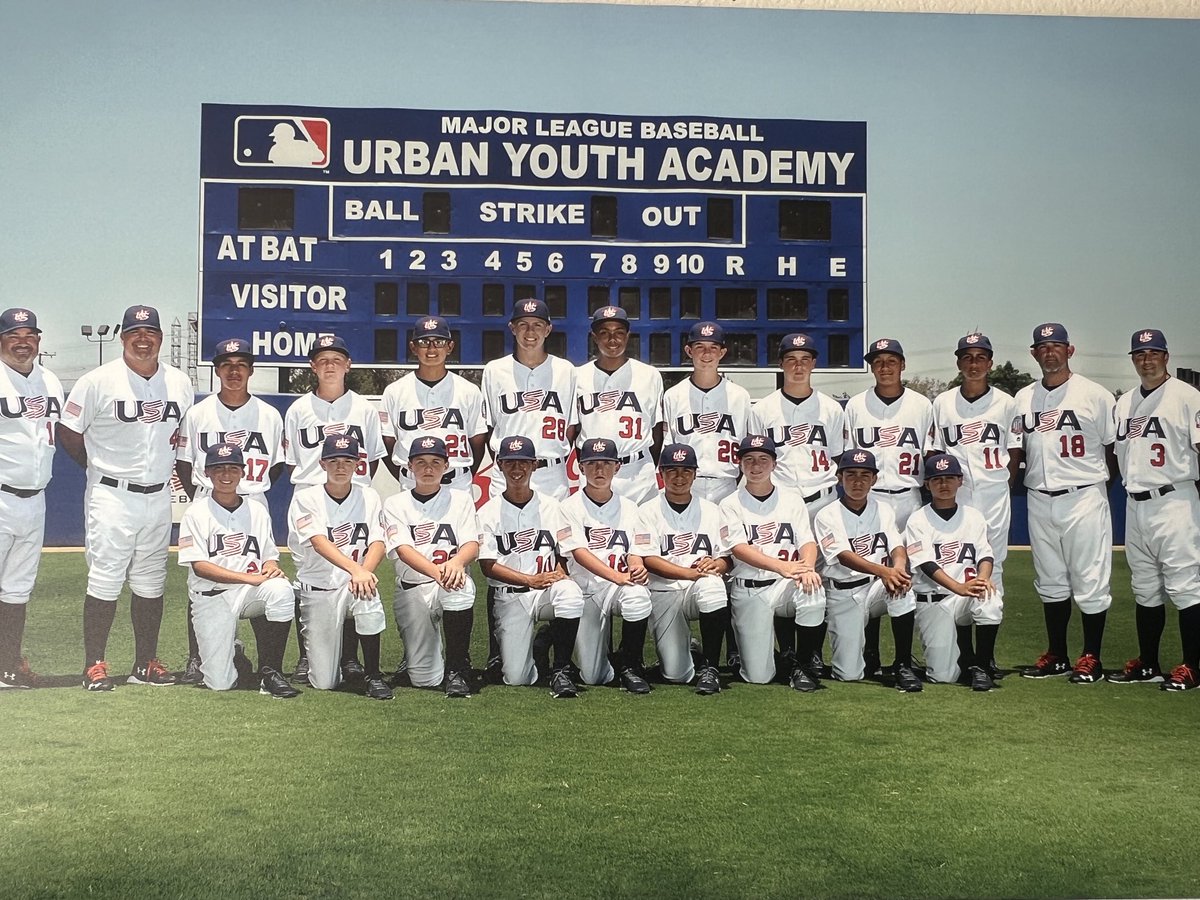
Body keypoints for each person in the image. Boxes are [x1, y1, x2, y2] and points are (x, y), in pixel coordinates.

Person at [59, 305, 193, 691]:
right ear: (123, 338)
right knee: (105, 579)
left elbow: (183, 437)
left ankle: (144, 663)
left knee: (151, 583)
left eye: (150, 332)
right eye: (135, 332)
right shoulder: (98, 380)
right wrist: (95, 466)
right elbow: (69, 430)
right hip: (112, 494)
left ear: (160, 339)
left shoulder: (179, 382)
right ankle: (94, 664)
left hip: (157, 494)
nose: (143, 338)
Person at [175, 337, 285, 684]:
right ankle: (201, 657)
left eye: (240, 365)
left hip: (252, 497)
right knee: (201, 582)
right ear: (217, 369)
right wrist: (210, 498)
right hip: (209, 497)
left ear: (250, 370)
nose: (234, 371)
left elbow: (277, 466)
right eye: (226, 365)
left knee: (258, 575)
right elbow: (182, 464)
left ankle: (265, 662)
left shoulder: (268, 415)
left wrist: (246, 490)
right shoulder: (198, 413)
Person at [1012, 323, 1117, 684]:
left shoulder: (1096, 394)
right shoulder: (1023, 397)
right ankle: (1057, 654)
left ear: (1070, 351)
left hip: (1083, 494)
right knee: (1051, 580)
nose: (1049, 352)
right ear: (1034, 353)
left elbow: (1111, 448)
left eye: (1056, 346)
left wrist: (1095, 482)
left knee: (1090, 580)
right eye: (1042, 347)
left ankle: (1091, 657)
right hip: (1040, 497)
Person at [283, 334, 386, 683]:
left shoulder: (364, 409)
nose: (329, 365)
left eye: (336, 359)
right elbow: (291, 461)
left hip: (354, 494)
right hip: (310, 494)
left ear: (348, 365)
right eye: (322, 359)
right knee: (310, 578)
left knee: (352, 573)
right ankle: (306, 655)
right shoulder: (298, 409)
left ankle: (352, 658)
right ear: (313, 366)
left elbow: (370, 457)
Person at [1107, 329, 1200, 691]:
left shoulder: (1188, 396)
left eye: (1153, 353)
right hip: (1136, 503)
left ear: (1166, 356)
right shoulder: (1126, 402)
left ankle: (1191, 665)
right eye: (1140, 354)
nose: (1147, 360)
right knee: (1144, 587)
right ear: (1133, 359)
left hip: (1175, 499)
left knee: (1186, 586)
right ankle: (1148, 663)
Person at [930, 332, 1020, 679]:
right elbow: (936, 452)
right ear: (958, 362)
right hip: (957, 494)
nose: (973, 363)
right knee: (954, 566)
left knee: (992, 568)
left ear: (990, 363)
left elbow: (1014, 453)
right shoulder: (943, 403)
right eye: (967, 357)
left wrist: (1001, 485)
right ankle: (965, 653)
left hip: (994, 492)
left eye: (980, 357)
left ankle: (986, 656)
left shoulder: (1006, 403)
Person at [177, 442, 298, 698]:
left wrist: (271, 568)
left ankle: (271, 673)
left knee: (282, 591)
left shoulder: (257, 510)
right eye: (218, 468)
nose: (226, 475)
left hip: (247, 593)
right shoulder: (195, 512)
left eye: (233, 468)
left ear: (243, 472)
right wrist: (250, 578)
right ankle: (234, 652)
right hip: (211, 596)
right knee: (220, 682)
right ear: (207, 473)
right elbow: (200, 567)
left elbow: (269, 557)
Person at [476, 435, 583, 699]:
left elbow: (565, 551)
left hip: (545, 592)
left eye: (523, 462)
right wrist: (529, 580)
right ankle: (539, 647)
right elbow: (488, 566)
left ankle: (561, 670)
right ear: (499, 465)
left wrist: (561, 572)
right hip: (510, 597)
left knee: (570, 592)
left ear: (534, 465)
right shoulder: (487, 512)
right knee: (516, 678)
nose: (517, 469)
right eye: (510, 463)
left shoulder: (553, 507)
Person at [287, 435, 392, 700]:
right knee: (324, 682)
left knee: (368, 596)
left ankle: (373, 675)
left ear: (358, 465)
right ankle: (339, 659)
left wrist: (364, 572)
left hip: (353, 585)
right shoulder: (306, 497)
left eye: (348, 461)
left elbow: (378, 541)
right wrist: (356, 570)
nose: (341, 467)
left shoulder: (369, 496)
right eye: (334, 461)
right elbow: (319, 543)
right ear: (322, 464)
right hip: (319, 589)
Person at [719, 434, 826, 691]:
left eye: (763, 460)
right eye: (749, 460)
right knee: (758, 676)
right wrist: (784, 566)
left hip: (783, 587)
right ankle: (780, 658)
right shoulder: (730, 503)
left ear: (774, 464)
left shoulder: (791, 499)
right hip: (749, 589)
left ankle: (802, 664)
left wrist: (806, 568)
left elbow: (807, 542)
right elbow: (738, 549)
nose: (756, 466)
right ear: (740, 464)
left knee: (813, 591)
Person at [812, 449, 922, 692]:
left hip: (873, 588)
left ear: (874, 479)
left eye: (865, 475)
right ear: (839, 478)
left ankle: (902, 665)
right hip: (842, 594)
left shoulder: (883, 509)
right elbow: (843, 557)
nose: (858, 481)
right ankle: (859, 656)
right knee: (849, 674)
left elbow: (896, 546)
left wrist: (899, 570)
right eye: (850, 474)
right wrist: (886, 571)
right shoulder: (826, 514)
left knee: (902, 589)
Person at [383, 436, 481, 698]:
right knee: (425, 678)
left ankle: (457, 668)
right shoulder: (395, 503)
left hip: (447, 583)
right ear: (409, 466)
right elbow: (403, 550)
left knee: (460, 586)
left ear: (447, 466)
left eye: (435, 462)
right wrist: (440, 573)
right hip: (413, 588)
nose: (428, 468)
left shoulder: (460, 499)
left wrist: (458, 562)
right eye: (421, 462)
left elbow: (471, 544)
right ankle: (430, 655)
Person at [558, 437, 655, 694]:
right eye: (592, 464)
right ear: (580, 467)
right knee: (592, 676)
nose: (599, 470)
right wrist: (617, 576)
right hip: (585, 590)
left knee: (638, 596)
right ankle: (553, 635)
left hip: (617, 588)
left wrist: (636, 567)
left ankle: (630, 665)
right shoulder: (568, 507)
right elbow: (579, 553)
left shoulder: (632, 508)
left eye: (606, 464)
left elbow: (636, 550)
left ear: (617, 467)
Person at [0, 308, 63, 689]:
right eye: (13, 335)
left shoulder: (50, 381)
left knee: (17, 589)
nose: (23, 342)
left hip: (34, 498)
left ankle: (8, 665)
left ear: (38, 340)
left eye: (30, 335)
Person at [639, 443, 732, 695]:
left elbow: (727, 556)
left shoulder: (712, 511)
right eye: (672, 471)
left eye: (686, 471)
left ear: (695, 473)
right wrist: (689, 573)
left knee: (713, 585)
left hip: (697, 589)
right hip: (663, 591)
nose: (679, 477)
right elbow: (649, 559)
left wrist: (718, 564)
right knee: (676, 674)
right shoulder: (647, 510)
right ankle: (689, 651)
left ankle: (711, 668)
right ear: (661, 473)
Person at [904, 453, 999, 691]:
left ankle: (982, 666)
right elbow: (924, 564)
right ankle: (962, 657)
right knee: (943, 677)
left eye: (949, 478)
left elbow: (985, 555)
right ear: (927, 484)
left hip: (965, 596)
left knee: (990, 598)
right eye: (937, 479)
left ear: (960, 480)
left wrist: (983, 579)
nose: (943, 485)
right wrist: (959, 587)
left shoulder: (974, 516)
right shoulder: (917, 520)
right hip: (934, 600)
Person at [481, 298, 577, 501]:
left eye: (537, 325)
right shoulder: (494, 370)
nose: (530, 332)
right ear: (512, 328)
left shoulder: (565, 370)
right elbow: (490, 426)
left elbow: (571, 427)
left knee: (553, 532)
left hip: (551, 475)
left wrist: (553, 457)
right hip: (506, 473)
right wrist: (505, 462)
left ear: (548, 330)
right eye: (523, 325)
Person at [381, 315, 487, 493]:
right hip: (411, 482)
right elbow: (387, 442)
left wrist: (462, 472)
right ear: (413, 347)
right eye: (423, 342)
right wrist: (409, 474)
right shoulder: (395, 391)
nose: (431, 348)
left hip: (457, 484)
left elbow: (477, 442)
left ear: (450, 346)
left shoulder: (468, 391)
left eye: (439, 341)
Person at [574, 306, 663, 503]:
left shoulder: (649, 375)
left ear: (628, 336)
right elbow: (575, 429)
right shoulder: (578, 377)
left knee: (642, 533)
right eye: (604, 333)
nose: (612, 339)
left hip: (638, 474)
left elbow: (656, 430)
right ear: (595, 337)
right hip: (595, 472)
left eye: (619, 333)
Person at [843, 337, 934, 531]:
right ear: (872, 368)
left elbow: (931, 452)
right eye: (878, 362)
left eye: (891, 361)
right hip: (869, 495)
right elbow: (847, 455)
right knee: (870, 555)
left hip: (909, 496)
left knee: (911, 558)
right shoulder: (856, 405)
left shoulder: (922, 405)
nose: (884, 367)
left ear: (903, 365)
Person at [663, 322, 753, 504]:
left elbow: (746, 446)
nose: (707, 354)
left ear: (722, 353)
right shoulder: (673, 395)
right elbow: (668, 446)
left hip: (727, 484)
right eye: (700, 347)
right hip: (686, 484)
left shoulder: (739, 396)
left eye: (713, 347)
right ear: (689, 351)